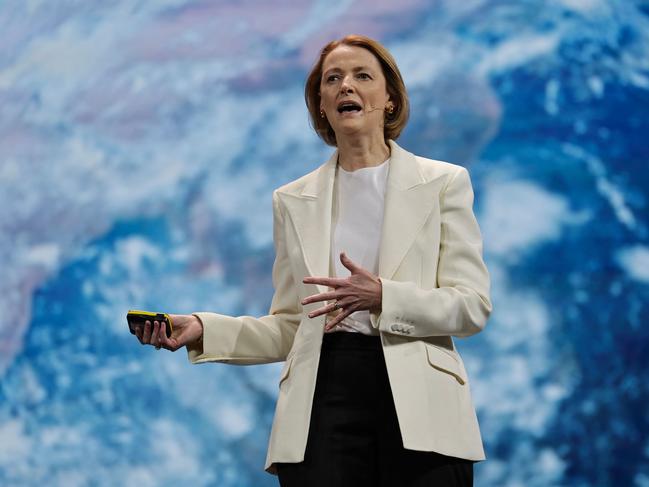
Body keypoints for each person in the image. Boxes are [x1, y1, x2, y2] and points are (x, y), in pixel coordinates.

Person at [132, 34, 492, 487]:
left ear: (390, 100)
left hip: (421, 402)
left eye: (363, 76)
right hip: (323, 400)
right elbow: (290, 327)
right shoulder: (292, 200)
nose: (346, 86)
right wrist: (205, 329)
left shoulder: (443, 183)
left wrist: (383, 296)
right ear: (321, 104)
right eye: (333, 79)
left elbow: (471, 305)